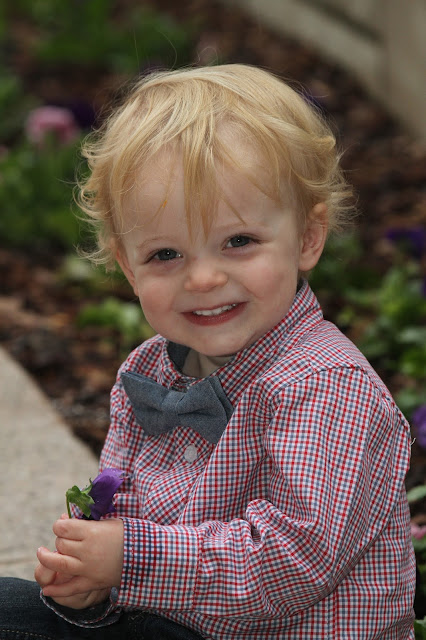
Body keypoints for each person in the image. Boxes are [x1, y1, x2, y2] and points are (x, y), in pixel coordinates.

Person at [0, 64, 416, 639]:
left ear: (308, 238)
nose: (202, 278)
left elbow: (295, 562)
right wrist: (93, 581)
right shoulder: (145, 372)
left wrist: (133, 559)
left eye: (238, 242)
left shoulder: (325, 385)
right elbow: (119, 517)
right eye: (166, 254)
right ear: (127, 264)